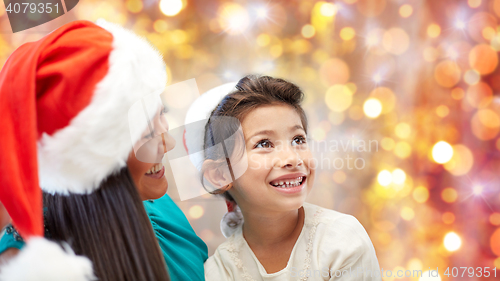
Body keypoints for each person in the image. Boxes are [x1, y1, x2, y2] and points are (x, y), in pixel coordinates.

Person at [0, 20, 208, 281]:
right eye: (147, 133)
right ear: (91, 162)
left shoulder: (161, 210)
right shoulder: (30, 268)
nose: (169, 143)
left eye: (161, 114)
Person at [201, 75, 382, 280]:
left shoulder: (341, 240)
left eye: (298, 139)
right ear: (220, 175)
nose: (292, 158)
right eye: (263, 143)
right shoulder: (219, 271)